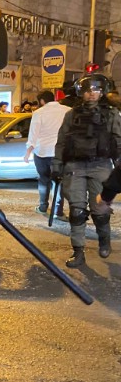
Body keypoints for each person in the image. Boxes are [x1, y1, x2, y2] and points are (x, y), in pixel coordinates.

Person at [52, 71, 121, 266]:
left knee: (100, 209)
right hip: (75, 166)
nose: (92, 93)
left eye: (96, 89)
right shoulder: (71, 115)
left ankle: (104, 239)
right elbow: (62, 141)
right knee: (76, 210)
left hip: (101, 165)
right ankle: (78, 251)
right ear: (81, 92)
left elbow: (119, 140)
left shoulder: (112, 114)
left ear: (102, 92)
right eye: (88, 90)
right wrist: (56, 165)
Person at [23, 90, 70, 219]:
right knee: (59, 182)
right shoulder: (67, 110)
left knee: (44, 180)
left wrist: (28, 152)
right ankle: (57, 211)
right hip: (60, 152)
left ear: (42, 101)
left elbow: (33, 134)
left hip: (42, 152)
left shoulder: (38, 113)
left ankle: (43, 206)